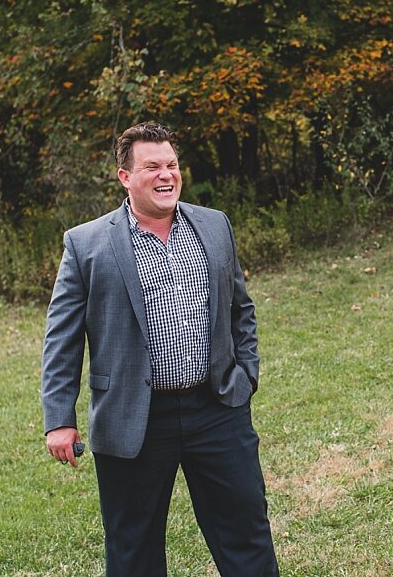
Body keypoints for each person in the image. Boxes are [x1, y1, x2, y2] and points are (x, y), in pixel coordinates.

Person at [40, 123, 278, 576]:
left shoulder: (213, 224)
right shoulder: (86, 243)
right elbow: (62, 337)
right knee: (134, 553)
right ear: (125, 177)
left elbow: (239, 308)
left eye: (171, 165)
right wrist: (59, 419)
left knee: (246, 535)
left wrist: (245, 374)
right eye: (152, 167)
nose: (166, 175)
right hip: (133, 419)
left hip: (218, 408)